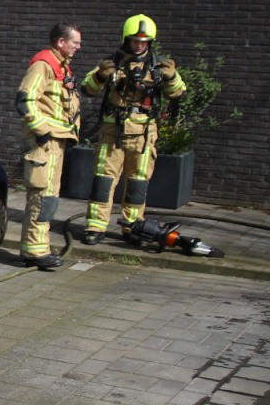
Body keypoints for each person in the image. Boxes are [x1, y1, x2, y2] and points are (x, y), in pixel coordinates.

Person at [79, 15, 185, 243]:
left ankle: (133, 227)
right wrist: (100, 76)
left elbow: (178, 93)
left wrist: (170, 77)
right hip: (112, 132)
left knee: (138, 182)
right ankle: (96, 227)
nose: (139, 45)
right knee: (103, 180)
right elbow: (87, 88)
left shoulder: (159, 65)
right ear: (126, 39)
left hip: (144, 134)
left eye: (144, 41)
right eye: (135, 40)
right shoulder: (111, 63)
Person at [12, 23, 82, 271]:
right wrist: (42, 133)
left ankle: (38, 248)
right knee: (42, 194)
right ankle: (34, 251)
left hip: (56, 140)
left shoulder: (60, 65)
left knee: (49, 195)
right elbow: (25, 100)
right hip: (46, 143)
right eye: (75, 42)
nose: (78, 47)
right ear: (61, 42)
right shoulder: (44, 64)